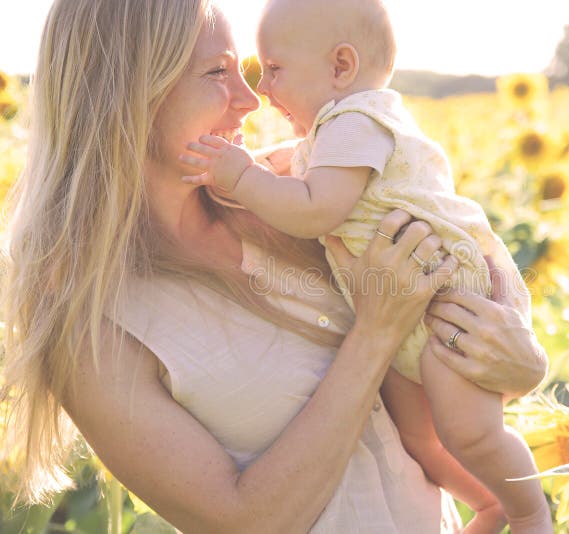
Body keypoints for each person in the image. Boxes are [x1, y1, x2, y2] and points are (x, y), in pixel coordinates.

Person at [0, 0, 551, 532]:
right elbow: (243, 523)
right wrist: (375, 332)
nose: (251, 99)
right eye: (218, 73)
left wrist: (517, 363)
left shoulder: (288, 205)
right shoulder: (90, 321)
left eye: (249, 71)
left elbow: (431, 370)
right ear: (126, 94)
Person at [180, 0, 549, 530]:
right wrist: (261, 167)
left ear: (341, 67)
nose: (264, 90)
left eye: (275, 69)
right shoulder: (335, 132)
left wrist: (240, 179)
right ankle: (490, 505)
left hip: (445, 300)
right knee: (419, 437)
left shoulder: (356, 120)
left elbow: (315, 209)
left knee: (468, 431)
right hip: (403, 306)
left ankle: (530, 513)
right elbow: (297, 162)